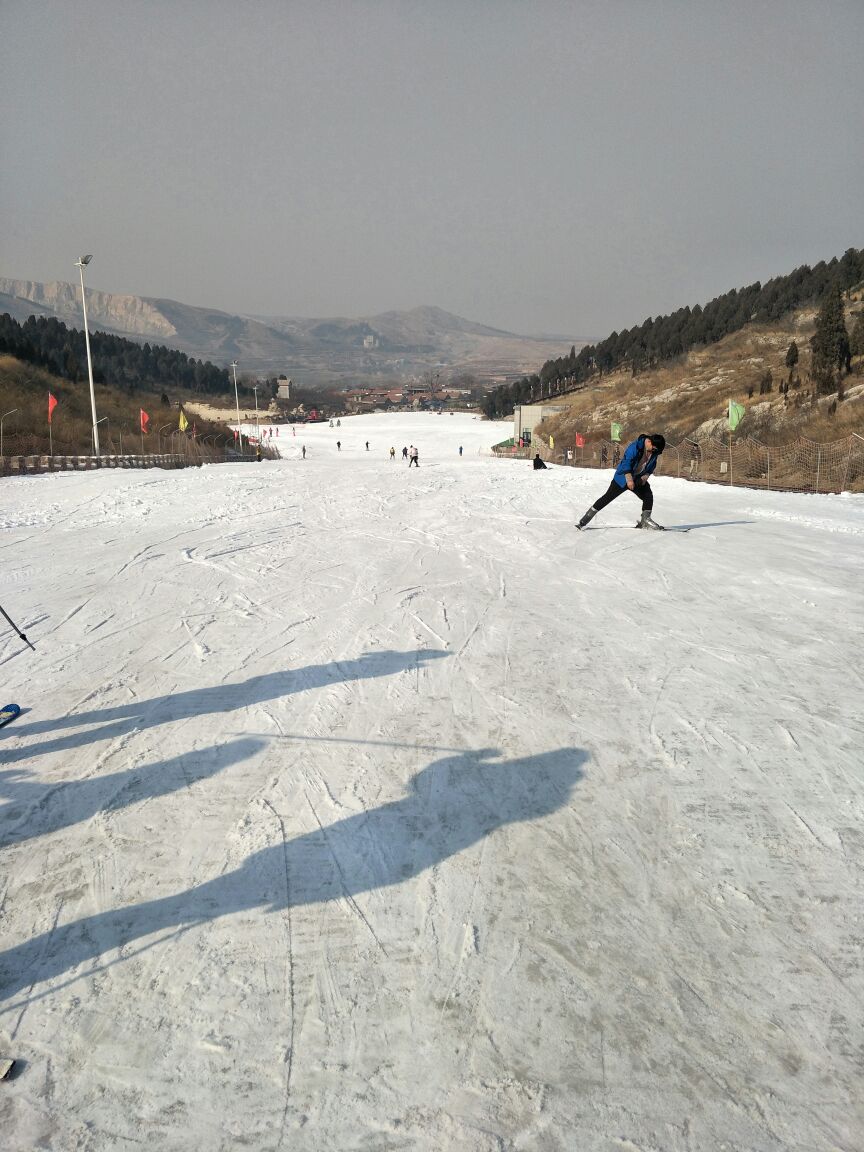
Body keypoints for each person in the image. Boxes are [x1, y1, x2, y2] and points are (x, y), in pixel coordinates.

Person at [576, 433, 666, 530]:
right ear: (649, 442)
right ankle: (584, 520)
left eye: (656, 450)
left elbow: (652, 466)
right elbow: (626, 462)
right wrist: (629, 479)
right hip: (622, 478)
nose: (654, 451)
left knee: (648, 495)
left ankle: (645, 520)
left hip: (638, 478)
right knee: (607, 498)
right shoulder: (635, 447)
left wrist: (645, 476)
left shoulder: (654, 452)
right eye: (654, 449)